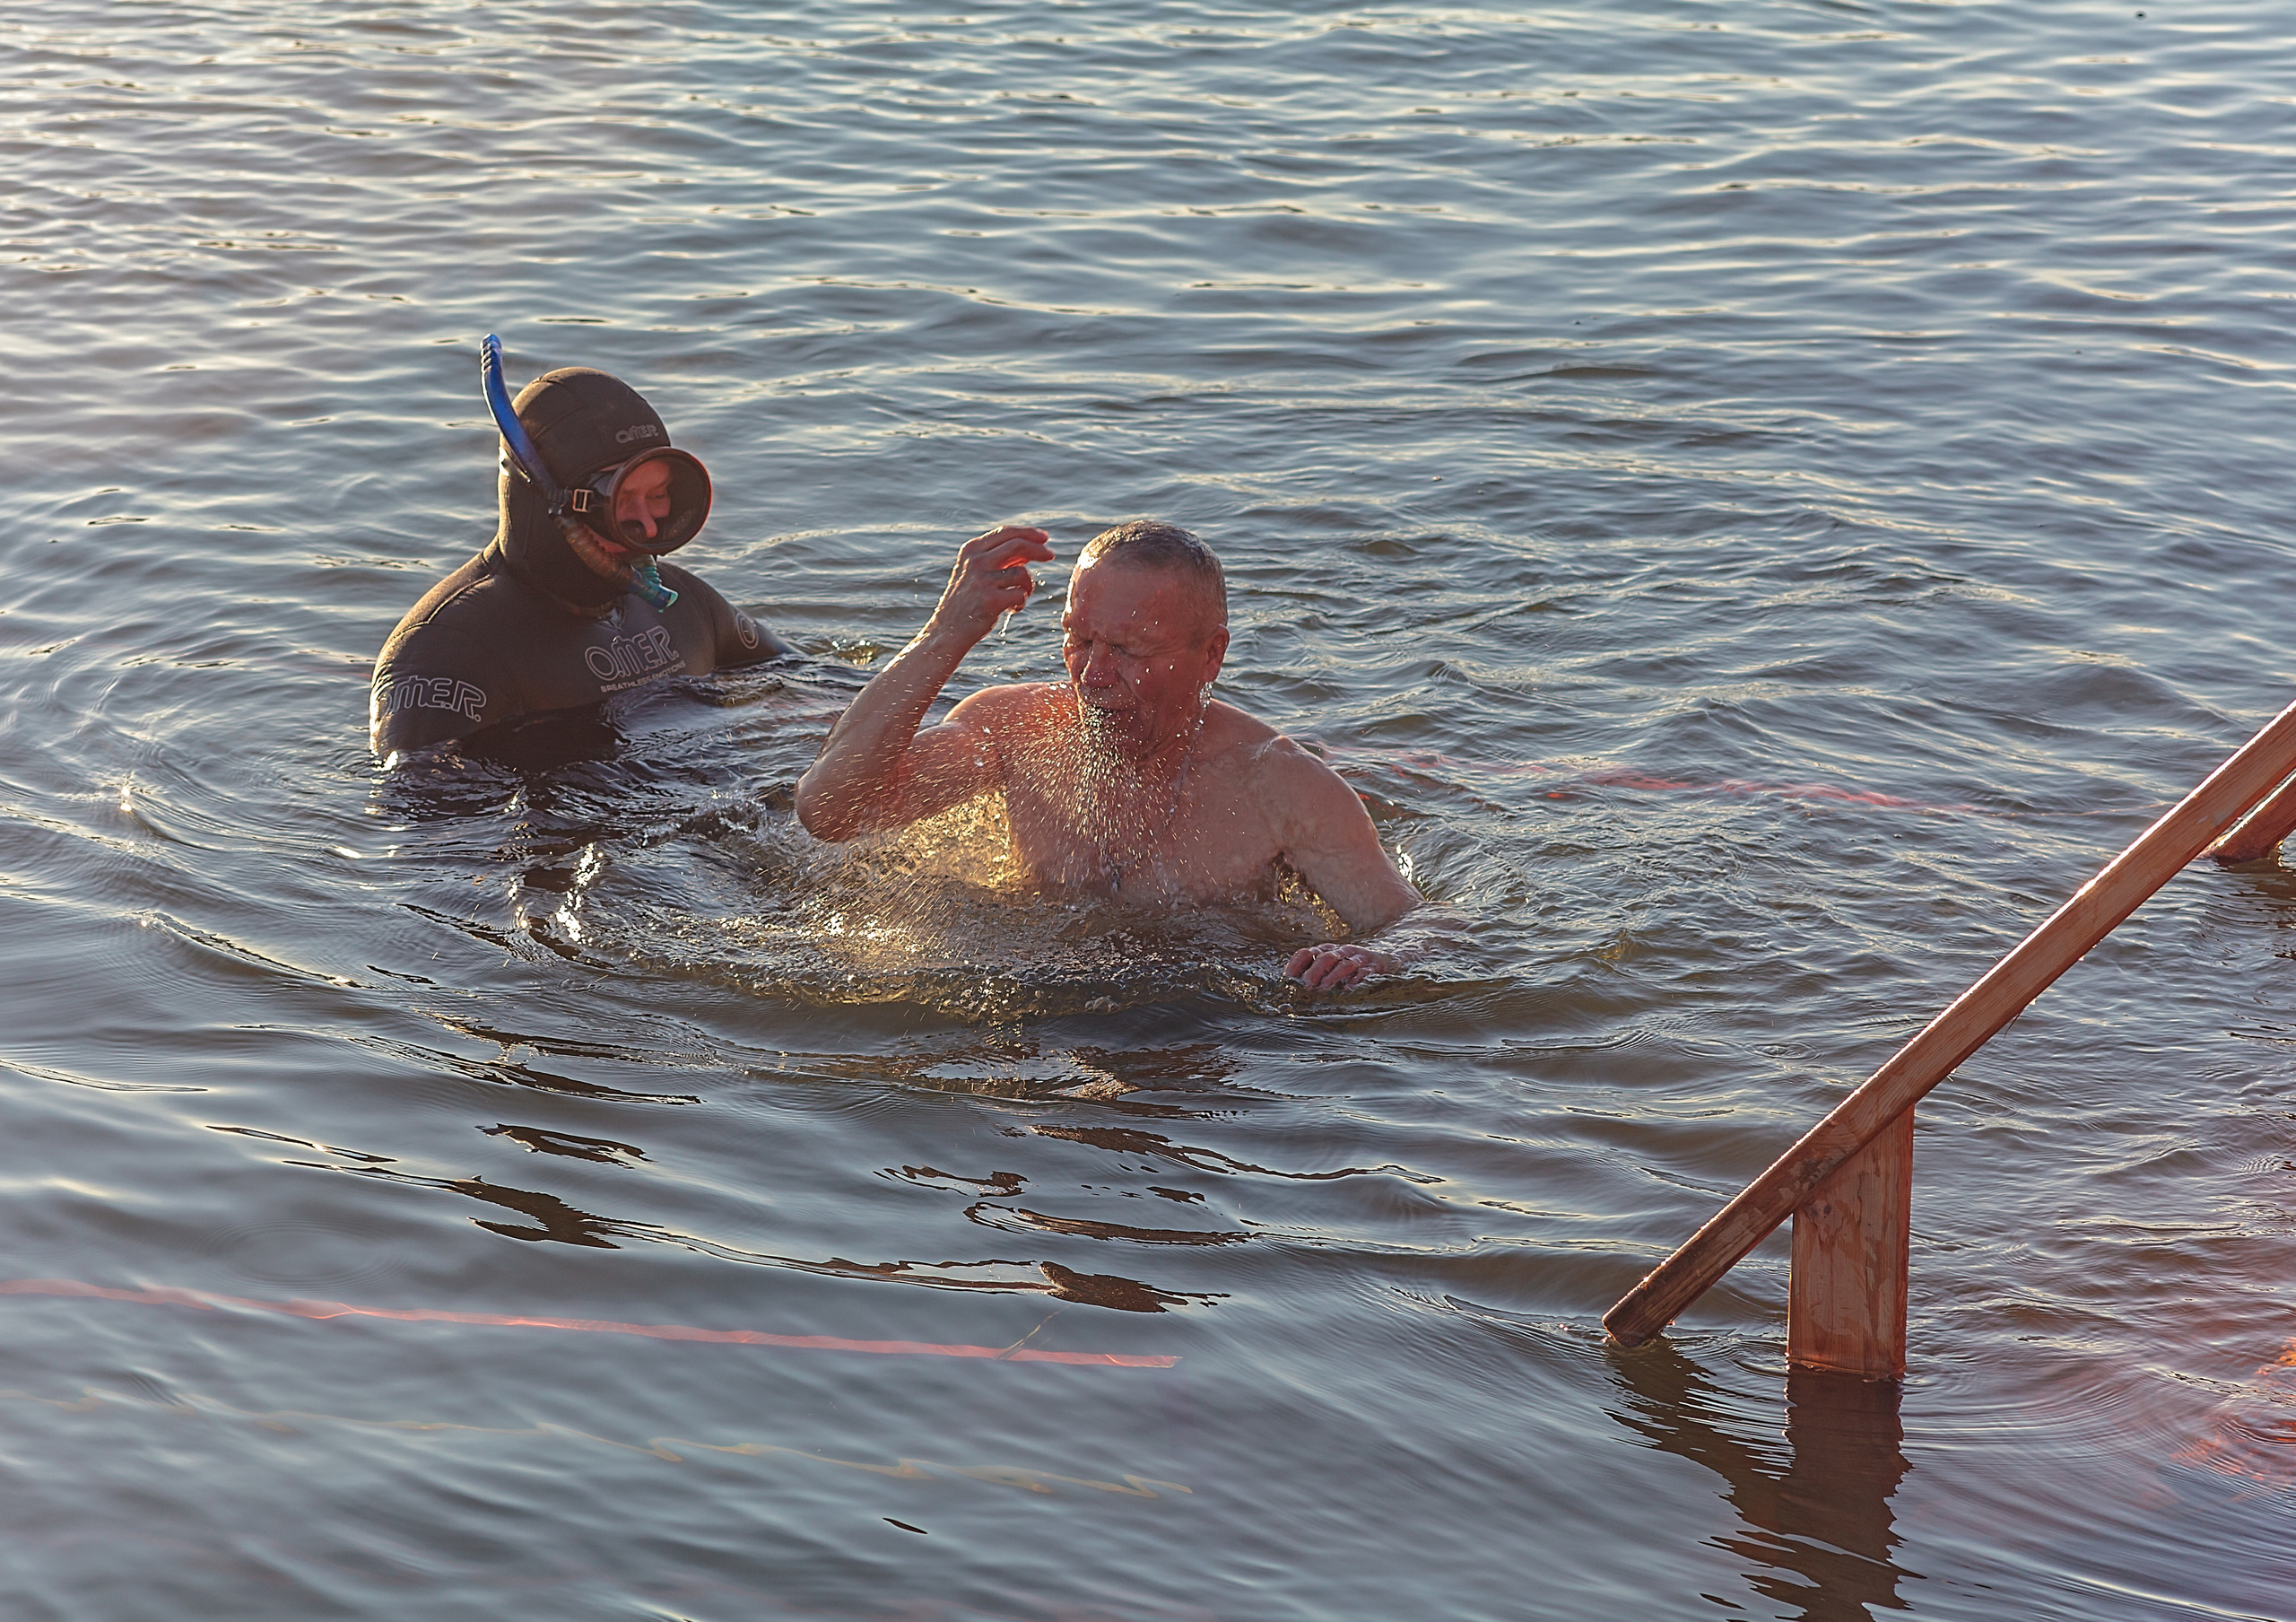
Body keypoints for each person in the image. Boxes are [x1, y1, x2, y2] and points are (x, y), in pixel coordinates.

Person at [794, 519, 1442, 989]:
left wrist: (1376, 958)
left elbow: (1421, 929)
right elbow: (831, 811)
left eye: (1127, 651)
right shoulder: (1015, 732)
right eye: (1078, 641)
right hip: (1035, 998)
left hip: (1214, 1021)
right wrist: (947, 633)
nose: (1092, 676)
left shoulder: (1278, 785)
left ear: (1210, 654)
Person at [370, 358, 789, 763]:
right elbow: (421, 819)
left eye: (658, 496)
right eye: (620, 499)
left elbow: (808, 687)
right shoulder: (445, 651)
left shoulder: (689, 607)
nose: (646, 525)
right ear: (549, 504)